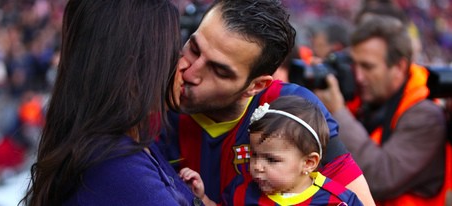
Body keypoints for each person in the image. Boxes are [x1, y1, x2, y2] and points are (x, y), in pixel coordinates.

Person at [158, 0, 375, 205]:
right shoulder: (150, 96)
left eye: (218, 71)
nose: (190, 73)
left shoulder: (293, 110)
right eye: (194, 49)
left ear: (256, 85)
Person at [19, 0, 201, 205]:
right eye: (173, 52)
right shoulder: (117, 168)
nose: (185, 64)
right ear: (133, 74)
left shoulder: (115, 146)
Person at [314, 15, 448, 205]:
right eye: (355, 65)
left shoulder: (425, 115)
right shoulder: (369, 100)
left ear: (400, 67)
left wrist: (337, 111)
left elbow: (379, 177)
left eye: (368, 67)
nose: (359, 77)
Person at [179, 96, 363, 205]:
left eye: (271, 160)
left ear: (308, 163)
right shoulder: (243, 189)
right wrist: (202, 197)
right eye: (254, 155)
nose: (257, 166)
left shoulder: (337, 200)